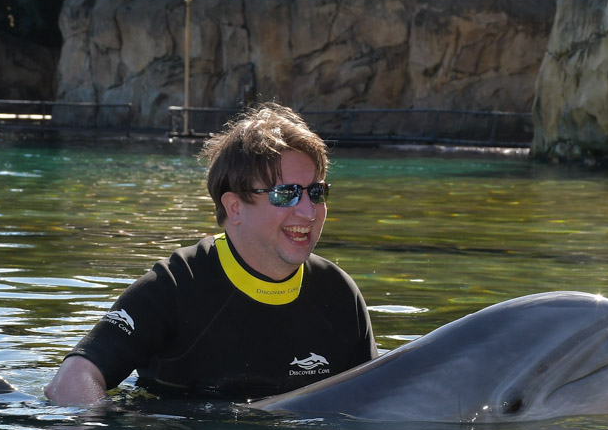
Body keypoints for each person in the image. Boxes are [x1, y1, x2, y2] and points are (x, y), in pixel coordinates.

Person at [44, 102, 376, 406]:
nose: (309, 212)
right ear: (235, 207)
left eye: (316, 192)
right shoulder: (176, 285)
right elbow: (71, 381)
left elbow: (375, 401)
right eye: (286, 194)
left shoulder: (339, 296)